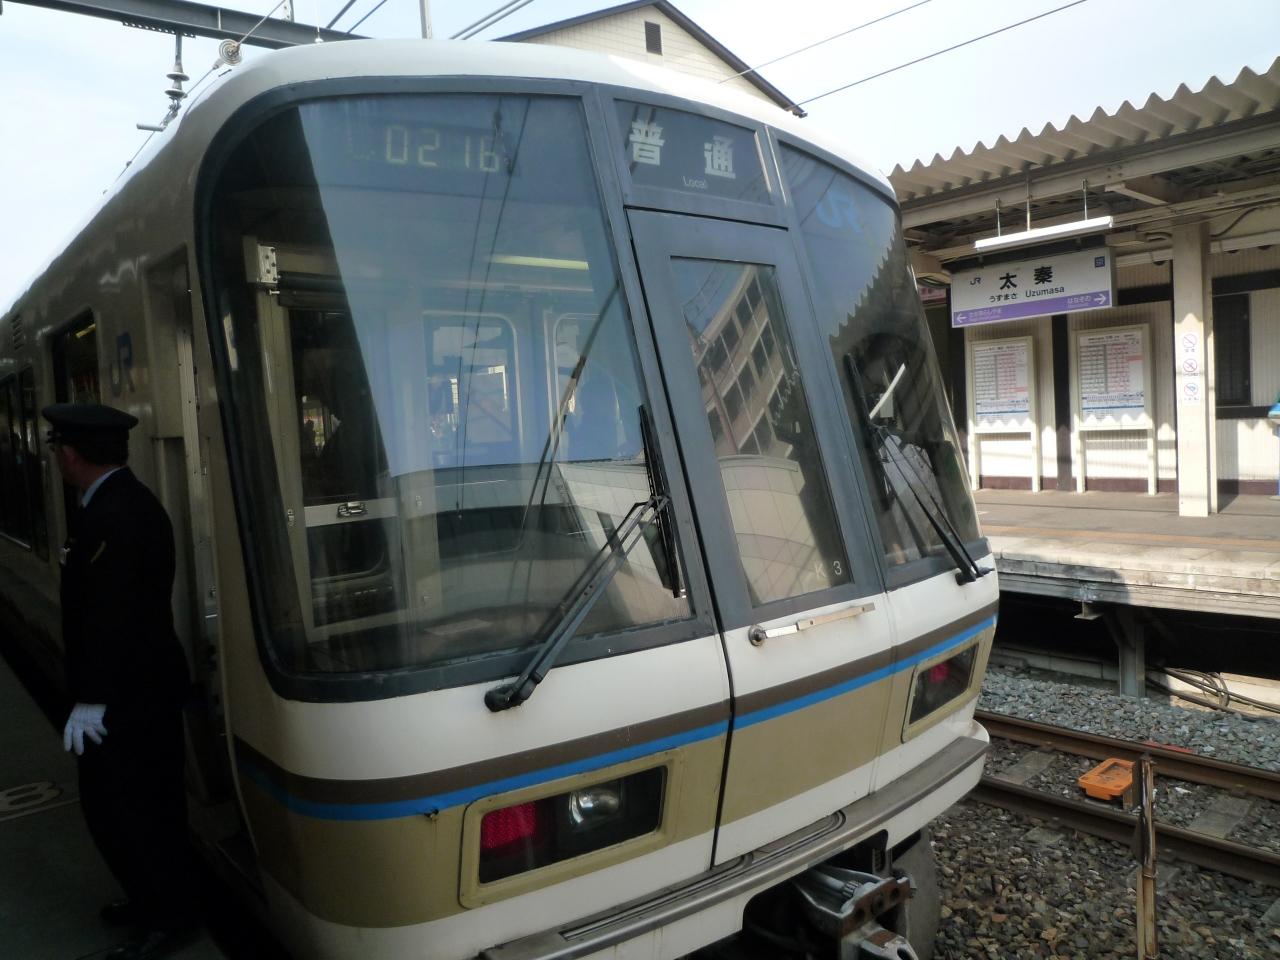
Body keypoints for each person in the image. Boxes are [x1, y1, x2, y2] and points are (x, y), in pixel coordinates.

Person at [44, 403, 197, 960]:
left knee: (127, 811)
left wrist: (91, 699)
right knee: (141, 807)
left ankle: (166, 918)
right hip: (138, 688)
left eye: (58, 450)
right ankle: (153, 900)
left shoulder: (116, 514)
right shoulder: (118, 503)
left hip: (128, 696)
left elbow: (112, 617)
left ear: (70, 454)